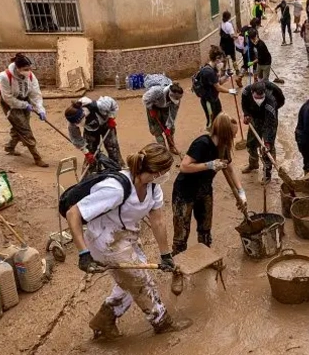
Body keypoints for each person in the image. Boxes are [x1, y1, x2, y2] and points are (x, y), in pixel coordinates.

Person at [65, 143, 192, 338]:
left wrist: (166, 255)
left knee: (128, 280)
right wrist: (83, 253)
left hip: (126, 237)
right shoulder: (115, 189)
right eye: (164, 171)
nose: (166, 175)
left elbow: (158, 222)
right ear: (153, 170)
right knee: (141, 282)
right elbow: (73, 213)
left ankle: (104, 320)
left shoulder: (153, 188)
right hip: (105, 241)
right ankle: (161, 321)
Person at [172, 113, 247, 254]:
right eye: (233, 134)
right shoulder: (202, 143)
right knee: (182, 231)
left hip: (204, 190)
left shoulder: (223, 147)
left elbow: (229, 169)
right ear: (224, 133)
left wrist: (241, 192)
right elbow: (184, 166)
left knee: (205, 228)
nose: (234, 138)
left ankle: (206, 254)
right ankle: (177, 262)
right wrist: (209, 165)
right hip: (185, 192)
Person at [0, 53, 49, 167]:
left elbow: (35, 94)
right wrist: (24, 105)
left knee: (19, 125)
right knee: (25, 129)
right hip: (10, 104)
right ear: (17, 67)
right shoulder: (4, 77)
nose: (28, 71)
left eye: (29, 69)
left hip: (25, 100)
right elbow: (8, 98)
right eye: (25, 69)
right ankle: (37, 157)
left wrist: (40, 109)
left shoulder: (30, 75)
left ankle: (9, 147)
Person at [64, 96, 125, 173]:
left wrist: (111, 117)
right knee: (91, 153)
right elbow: (76, 138)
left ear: (83, 116)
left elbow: (113, 105)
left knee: (113, 149)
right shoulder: (72, 122)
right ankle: (91, 174)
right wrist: (86, 153)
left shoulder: (100, 105)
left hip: (107, 124)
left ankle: (119, 170)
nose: (77, 125)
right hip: (90, 130)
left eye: (79, 123)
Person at [241, 81, 285, 183]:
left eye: (261, 98)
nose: (259, 100)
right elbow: (244, 103)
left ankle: (267, 174)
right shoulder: (246, 92)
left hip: (268, 119)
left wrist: (268, 142)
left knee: (267, 150)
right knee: (251, 144)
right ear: (252, 92)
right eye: (257, 97)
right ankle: (253, 164)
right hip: (254, 117)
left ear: (265, 93)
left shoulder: (271, 102)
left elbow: (270, 125)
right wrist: (246, 114)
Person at [198, 45, 238, 130]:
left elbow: (218, 82)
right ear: (217, 59)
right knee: (211, 122)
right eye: (221, 60)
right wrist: (230, 91)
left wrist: (227, 75)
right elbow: (218, 87)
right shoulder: (208, 71)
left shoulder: (213, 69)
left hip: (214, 98)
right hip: (208, 101)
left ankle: (219, 135)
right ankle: (211, 138)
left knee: (219, 117)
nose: (222, 63)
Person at [143, 82, 184, 155]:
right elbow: (146, 99)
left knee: (170, 129)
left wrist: (168, 127)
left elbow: (173, 114)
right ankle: (163, 150)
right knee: (157, 130)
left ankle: (172, 147)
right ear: (169, 94)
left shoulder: (177, 98)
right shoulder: (156, 91)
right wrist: (151, 109)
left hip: (165, 108)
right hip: (153, 106)